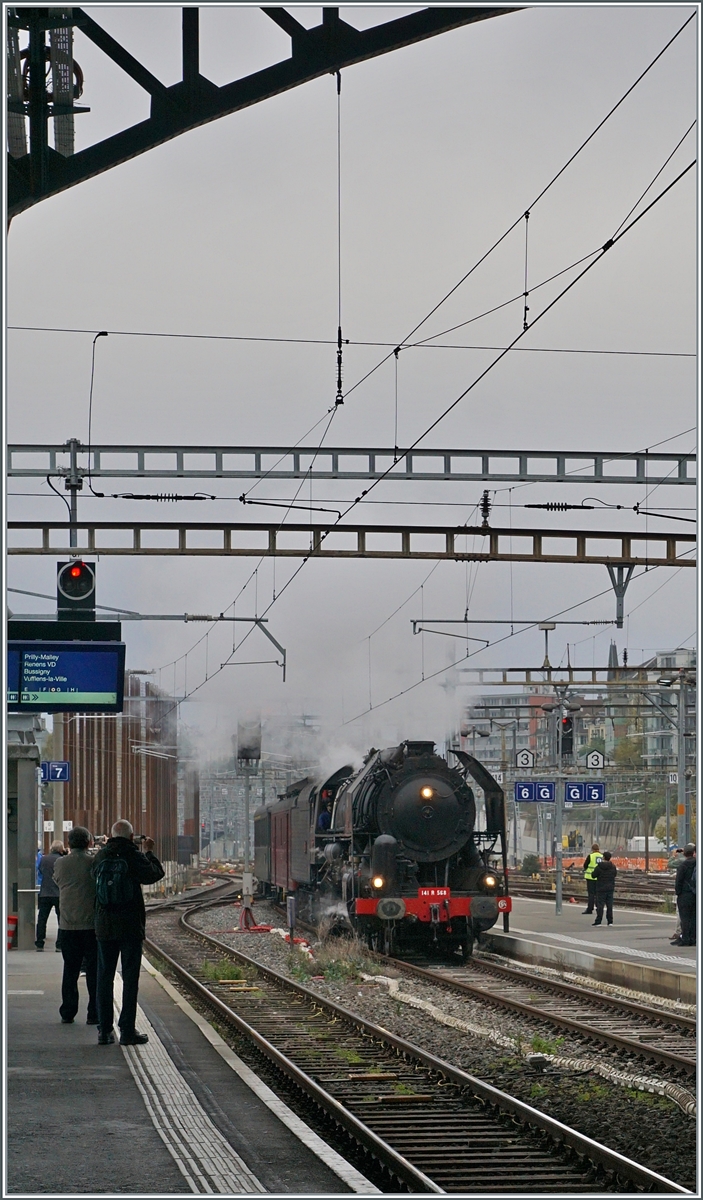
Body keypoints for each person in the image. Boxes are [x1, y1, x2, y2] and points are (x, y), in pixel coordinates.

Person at [92, 819, 165, 1046]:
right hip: (130, 926)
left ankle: (104, 1031)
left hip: (104, 924)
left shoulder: (100, 857)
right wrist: (150, 852)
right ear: (132, 837)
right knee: (130, 979)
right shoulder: (133, 856)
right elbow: (155, 874)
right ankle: (127, 1031)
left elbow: (93, 879)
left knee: (104, 977)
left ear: (111, 835)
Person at [53, 826, 98, 1025]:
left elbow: (57, 881)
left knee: (70, 969)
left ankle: (68, 1011)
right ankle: (94, 1012)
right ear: (89, 842)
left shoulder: (60, 863)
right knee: (94, 970)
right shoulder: (93, 862)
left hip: (68, 925)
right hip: (91, 925)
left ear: (69, 843)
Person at [35, 840, 67, 951]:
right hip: (58, 893)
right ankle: (59, 945)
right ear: (61, 849)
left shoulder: (43, 859)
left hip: (44, 892)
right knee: (61, 920)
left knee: (42, 919)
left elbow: (40, 871)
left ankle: (39, 943)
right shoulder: (62, 860)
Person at [673, 843, 696, 947]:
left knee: (685, 918)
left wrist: (678, 892)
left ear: (685, 854)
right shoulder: (697, 863)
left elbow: (679, 881)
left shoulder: (683, 865)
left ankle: (685, 938)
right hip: (695, 893)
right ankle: (693, 938)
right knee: (694, 917)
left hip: (685, 894)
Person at [591, 850, 617, 926]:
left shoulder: (599, 866)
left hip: (600, 888)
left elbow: (593, 875)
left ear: (604, 857)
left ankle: (598, 921)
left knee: (600, 905)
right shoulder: (613, 867)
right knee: (609, 905)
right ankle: (610, 921)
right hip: (610, 888)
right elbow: (614, 874)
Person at [582, 842, 602, 915]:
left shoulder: (590, 856)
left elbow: (585, 865)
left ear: (592, 849)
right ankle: (599, 908)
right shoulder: (602, 856)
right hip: (599, 878)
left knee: (591, 894)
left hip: (590, 877)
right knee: (598, 894)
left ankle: (590, 909)